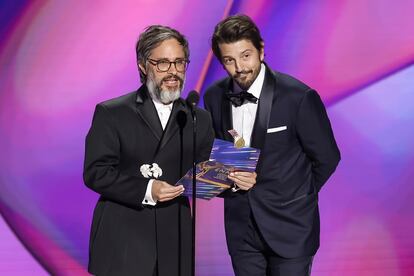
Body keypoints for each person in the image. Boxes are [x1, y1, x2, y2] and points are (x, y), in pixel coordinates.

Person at [203, 15, 340, 276]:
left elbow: (327, 157)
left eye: (245, 56)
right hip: (241, 230)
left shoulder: (298, 97)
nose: (239, 67)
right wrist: (229, 179)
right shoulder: (213, 97)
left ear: (261, 50)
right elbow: (216, 156)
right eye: (229, 60)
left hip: (291, 227)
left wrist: (293, 195)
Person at [83, 25, 214, 276]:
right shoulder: (113, 113)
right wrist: (147, 189)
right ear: (143, 65)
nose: (173, 71)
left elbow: (206, 174)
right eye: (162, 63)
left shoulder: (198, 118)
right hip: (124, 241)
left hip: (174, 241)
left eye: (179, 62)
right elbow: (96, 172)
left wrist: (235, 180)